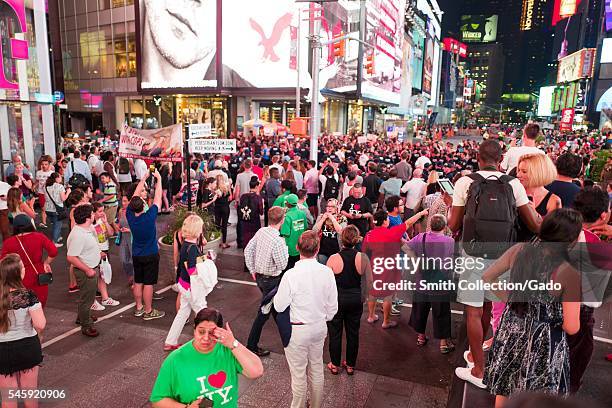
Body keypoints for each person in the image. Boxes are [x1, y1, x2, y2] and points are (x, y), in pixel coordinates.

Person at [449, 139, 541, 389]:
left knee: (473, 311)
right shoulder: (513, 184)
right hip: (502, 254)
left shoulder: (465, 182)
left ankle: (478, 369)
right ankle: (474, 356)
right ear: (501, 161)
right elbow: (533, 225)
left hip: (473, 252)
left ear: (477, 158)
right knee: (488, 303)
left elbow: (454, 225)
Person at [482, 209, 582, 406]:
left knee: (505, 383)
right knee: (538, 394)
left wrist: (510, 299)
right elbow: (572, 327)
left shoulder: (520, 250)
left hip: (513, 326)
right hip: (544, 338)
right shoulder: (568, 271)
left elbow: (488, 277)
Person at [274, 231, 338, 408]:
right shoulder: (327, 272)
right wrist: (323, 318)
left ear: (297, 248)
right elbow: (333, 306)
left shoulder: (290, 275)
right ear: (317, 249)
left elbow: (279, 306)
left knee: (298, 375)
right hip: (319, 327)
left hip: (297, 330)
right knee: (317, 368)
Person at [151, 308, 264, 408]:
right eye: (201, 332)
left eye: (211, 333)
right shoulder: (175, 360)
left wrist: (234, 344)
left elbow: (256, 371)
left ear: (220, 332)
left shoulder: (227, 350)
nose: (205, 338)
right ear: (194, 330)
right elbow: (157, 400)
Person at [568, 187, 611, 393]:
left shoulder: (558, 227)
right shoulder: (597, 246)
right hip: (580, 311)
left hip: (545, 303)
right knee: (577, 358)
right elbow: (595, 297)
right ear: (603, 215)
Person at [364, 208, 428, 329]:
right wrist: (421, 213)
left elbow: (365, 251)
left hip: (375, 265)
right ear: (384, 222)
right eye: (387, 218)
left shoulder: (369, 234)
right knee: (388, 295)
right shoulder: (391, 233)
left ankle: (371, 316)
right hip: (390, 267)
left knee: (372, 292)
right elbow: (408, 223)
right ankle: (386, 321)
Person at [0, 254, 46, 406]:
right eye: (23, 267)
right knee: (29, 393)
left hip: (2, 350)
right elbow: (40, 324)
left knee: (8, 397)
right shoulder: (28, 296)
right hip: (27, 346)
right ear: (18, 273)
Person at [406, 214, 455, 353]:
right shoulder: (449, 241)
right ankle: (443, 344)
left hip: (421, 282)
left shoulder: (421, 237)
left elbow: (405, 246)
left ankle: (421, 337)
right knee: (441, 313)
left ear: (430, 225)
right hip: (440, 284)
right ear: (444, 227)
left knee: (420, 310)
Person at [245, 206, 289, 357]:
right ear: (282, 220)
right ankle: (251, 345)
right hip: (273, 281)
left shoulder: (261, 231)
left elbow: (248, 250)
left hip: (260, 279)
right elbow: (283, 265)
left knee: (276, 310)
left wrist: (252, 270)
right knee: (264, 313)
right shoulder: (278, 241)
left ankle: (289, 340)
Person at [325, 225, 370, 375]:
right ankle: (350, 365)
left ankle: (335, 364)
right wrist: (362, 298)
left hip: (337, 300)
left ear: (341, 239)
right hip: (355, 299)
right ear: (356, 240)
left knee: (335, 333)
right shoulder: (363, 258)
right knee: (353, 333)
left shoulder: (333, 258)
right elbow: (368, 283)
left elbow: (327, 285)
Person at [164, 215, 208, 351]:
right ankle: (206, 339)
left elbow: (187, 263)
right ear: (197, 230)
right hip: (191, 287)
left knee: (182, 313)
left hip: (183, 285)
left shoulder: (186, 245)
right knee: (203, 313)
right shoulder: (193, 248)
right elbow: (193, 270)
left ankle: (170, 341)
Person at [127, 170, 165, 321]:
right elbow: (158, 198)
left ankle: (139, 307)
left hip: (137, 254)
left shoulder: (130, 215)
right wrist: (159, 180)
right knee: (148, 284)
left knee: (138, 281)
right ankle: (148, 311)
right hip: (150, 254)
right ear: (142, 206)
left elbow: (134, 197)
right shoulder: (149, 217)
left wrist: (144, 178)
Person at [0, 215, 57, 307]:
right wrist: (46, 263)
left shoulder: (9, 242)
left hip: (18, 275)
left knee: (22, 305)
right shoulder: (39, 237)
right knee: (39, 303)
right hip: (38, 273)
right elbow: (53, 251)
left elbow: (3, 261)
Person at [66, 204, 102, 337]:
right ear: (88, 218)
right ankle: (86, 325)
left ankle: (82, 317)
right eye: (92, 214)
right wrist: (87, 270)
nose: (94, 216)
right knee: (87, 299)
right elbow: (71, 257)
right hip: (86, 271)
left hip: (90, 267)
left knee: (87, 297)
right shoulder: (79, 234)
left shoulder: (84, 229)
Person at [516, 154, 562, 241]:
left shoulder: (553, 201)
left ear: (538, 173)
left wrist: (534, 214)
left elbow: (553, 234)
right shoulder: (514, 192)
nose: (518, 174)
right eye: (519, 170)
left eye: (524, 171)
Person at [91, 202, 120, 309]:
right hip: (96, 252)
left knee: (102, 276)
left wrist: (106, 222)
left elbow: (111, 233)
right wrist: (98, 251)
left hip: (105, 250)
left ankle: (105, 298)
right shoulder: (90, 224)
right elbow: (90, 241)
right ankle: (92, 301)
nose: (103, 213)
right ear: (93, 212)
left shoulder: (101, 221)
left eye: (103, 210)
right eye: (100, 211)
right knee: (93, 277)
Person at [281, 194, 308, 271]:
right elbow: (305, 228)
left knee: (289, 270)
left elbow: (285, 233)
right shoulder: (302, 213)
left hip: (290, 248)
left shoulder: (287, 216)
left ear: (287, 204)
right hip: (300, 247)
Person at [313, 198, 344, 265]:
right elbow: (314, 231)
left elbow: (341, 232)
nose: (330, 208)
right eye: (328, 206)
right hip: (322, 250)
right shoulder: (321, 217)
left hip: (336, 250)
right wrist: (322, 219)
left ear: (337, 207)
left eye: (332, 206)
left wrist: (332, 218)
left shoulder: (342, 218)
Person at [44, 172, 70, 246]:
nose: (61, 178)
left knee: (54, 224)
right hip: (57, 210)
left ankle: (58, 237)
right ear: (56, 178)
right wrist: (68, 192)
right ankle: (54, 242)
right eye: (60, 177)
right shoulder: (60, 186)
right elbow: (63, 199)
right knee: (57, 225)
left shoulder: (46, 186)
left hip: (48, 208)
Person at [238, 176, 264, 250]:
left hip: (244, 222)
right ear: (256, 186)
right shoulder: (258, 198)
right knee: (254, 240)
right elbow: (261, 212)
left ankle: (245, 252)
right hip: (255, 222)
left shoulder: (243, 196)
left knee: (245, 239)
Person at [214, 174, 232, 249]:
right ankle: (224, 243)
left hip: (217, 208)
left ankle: (217, 242)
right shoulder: (226, 187)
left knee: (217, 224)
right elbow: (230, 198)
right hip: (225, 208)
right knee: (224, 225)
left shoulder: (214, 188)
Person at [35, 156, 53, 229]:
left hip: (50, 193)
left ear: (49, 165)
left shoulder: (52, 173)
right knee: (43, 208)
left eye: (46, 164)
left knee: (51, 208)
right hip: (41, 193)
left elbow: (54, 183)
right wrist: (34, 186)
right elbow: (37, 181)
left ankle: (52, 219)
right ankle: (44, 222)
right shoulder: (38, 172)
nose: (44, 166)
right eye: (43, 164)